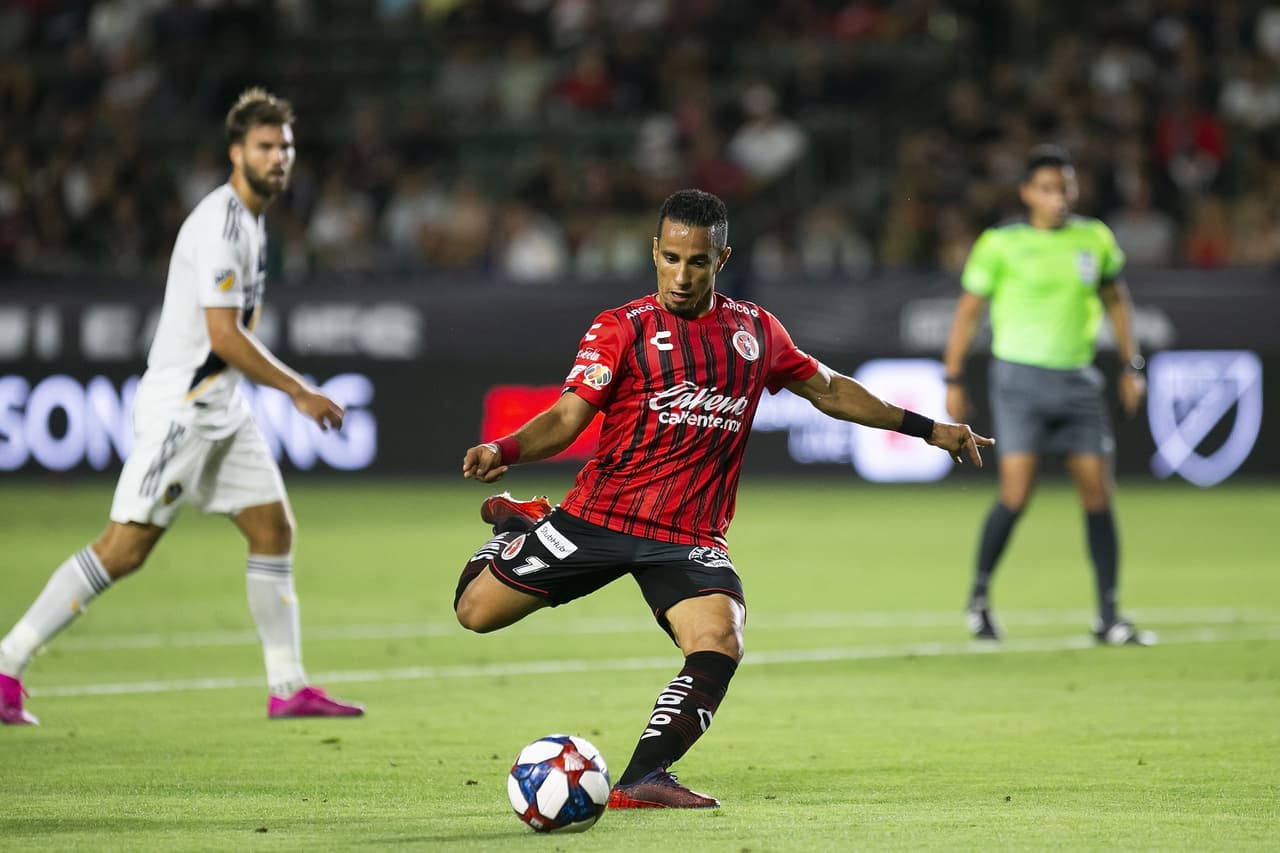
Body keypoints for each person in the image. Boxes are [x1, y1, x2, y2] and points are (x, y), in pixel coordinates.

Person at [455, 189, 992, 808]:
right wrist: (505, 448)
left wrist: (929, 429)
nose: (682, 276)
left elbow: (830, 390)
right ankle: (517, 529)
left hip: (688, 536)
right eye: (671, 259)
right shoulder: (621, 327)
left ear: (722, 259)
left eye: (697, 262)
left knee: (720, 638)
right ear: (654, 252)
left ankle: (643, 778)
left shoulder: (755, 331)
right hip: (597, 517)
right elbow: (567, 418)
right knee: (475, 613)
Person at [0, 89, 364, 726]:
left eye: (285, 146)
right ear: (236, 152)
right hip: (184, 412)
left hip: (223, 409)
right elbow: (223, 336)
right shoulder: (221, 224)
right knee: (123, 550)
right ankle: (7, 665)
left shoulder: (252, 221)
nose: (278, 157)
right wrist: (297, 390)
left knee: (272, 529)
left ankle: (288, 687)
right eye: (265, 146)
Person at [942, 144, 1154, 647]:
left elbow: (1116, 301)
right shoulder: (1001, 243)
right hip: (1019, 383)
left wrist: (1132, 365)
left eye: (1065, 187)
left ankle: (1109, 616)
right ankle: (979, 599)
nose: (1058, 197)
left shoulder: (1094, 238)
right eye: (1047, 188)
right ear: (1026, 193)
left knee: (1098, 496)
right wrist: (952, 378)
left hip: (1079, 382)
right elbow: (968, 312)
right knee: (1016, 495)